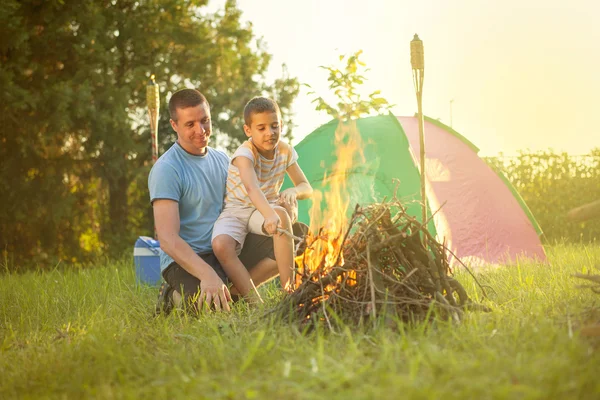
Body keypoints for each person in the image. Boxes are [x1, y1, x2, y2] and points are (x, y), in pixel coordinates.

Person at [148, 89, 305, 313]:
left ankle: (235, 293)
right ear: (175, 125)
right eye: (190, 124)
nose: (200, 130)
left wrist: (283, 209)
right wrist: (207, 274)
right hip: (189, 258)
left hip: (226, 246)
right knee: (211, 308)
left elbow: (246, 203)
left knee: (294, 236)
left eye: (205, 121)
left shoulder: (223, 159)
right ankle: (173, 296)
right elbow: (167, 239)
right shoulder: (167, 169)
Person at [211, 97, 313, 304]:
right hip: (238, 210)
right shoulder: (245, 153)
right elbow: (251, 187)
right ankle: (252, 300)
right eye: (262, 128)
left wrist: (293, 191)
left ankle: (289, 293)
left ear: (281, 125)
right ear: (248, 130)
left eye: (275, 126)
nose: (270, 132)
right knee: (221, 245)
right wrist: (269, 214)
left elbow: (306, 187)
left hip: (263, 208)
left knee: (283, 216)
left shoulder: (285, 151)